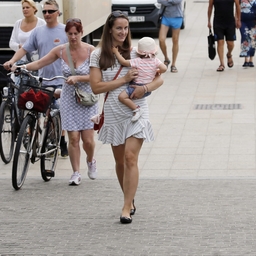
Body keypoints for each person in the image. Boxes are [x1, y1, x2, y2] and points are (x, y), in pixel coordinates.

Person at [89, 11, 163, 224]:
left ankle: (125, 207)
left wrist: (145, 88)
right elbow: (96, 87)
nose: (123, 32)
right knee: (120, 161)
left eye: (126, 28)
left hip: (136, 109)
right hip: (113, 110)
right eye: (119, 28)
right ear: (110, 29)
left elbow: (160, 79)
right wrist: (123, 81)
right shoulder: (98, 55)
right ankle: (130, 199)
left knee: (130, 157)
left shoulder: (137, 52)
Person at [16, 18, 97, 186]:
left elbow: (98, 76)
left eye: (76, 33)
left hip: (87, 98)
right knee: (73, 138)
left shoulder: (92, 51)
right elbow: (39, 63)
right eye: (70, 33)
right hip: (69, 98)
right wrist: (19, 66)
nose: (73, 37)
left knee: (88, 141)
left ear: (82, 33)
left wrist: (78, 77)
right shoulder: (60, 51)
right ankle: (76, 172)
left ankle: (90, 160)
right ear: (66, 34)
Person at [5, 0, 69, 157]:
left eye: (50, 11)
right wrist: (12, 61)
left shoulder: (65, 31)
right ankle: (43, 138)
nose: (47, 14)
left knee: (58, 111)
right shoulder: (38, 32)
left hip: (61, 79)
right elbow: (25, 49)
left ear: (58, 13)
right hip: (44, 79)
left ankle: (61, 140)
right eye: (45, 12)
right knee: (43, 111)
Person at [113, 37, 167, 121]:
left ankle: (137, 109)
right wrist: (157, 71)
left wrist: (116, 52)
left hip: (136, 87)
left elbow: (123, 62)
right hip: (147, 89)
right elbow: (164, 68)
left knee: (122, 97)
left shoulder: (137, 61)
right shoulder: (155, 61)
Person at [207, 0, 240, 72]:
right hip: (218, 21)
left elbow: (238, 6)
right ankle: (221, 63)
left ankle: (229, 54)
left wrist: (237, 19)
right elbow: (210, 7)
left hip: (230, 21)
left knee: (230, 43)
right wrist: (208, 20)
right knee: (220, 42)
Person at [157, 0, 185, 73]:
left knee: (175, 40)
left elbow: (180, 0)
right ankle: (166, 57)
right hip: (165, 15)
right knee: (161, 39)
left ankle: (173, 64)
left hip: (177, 16)